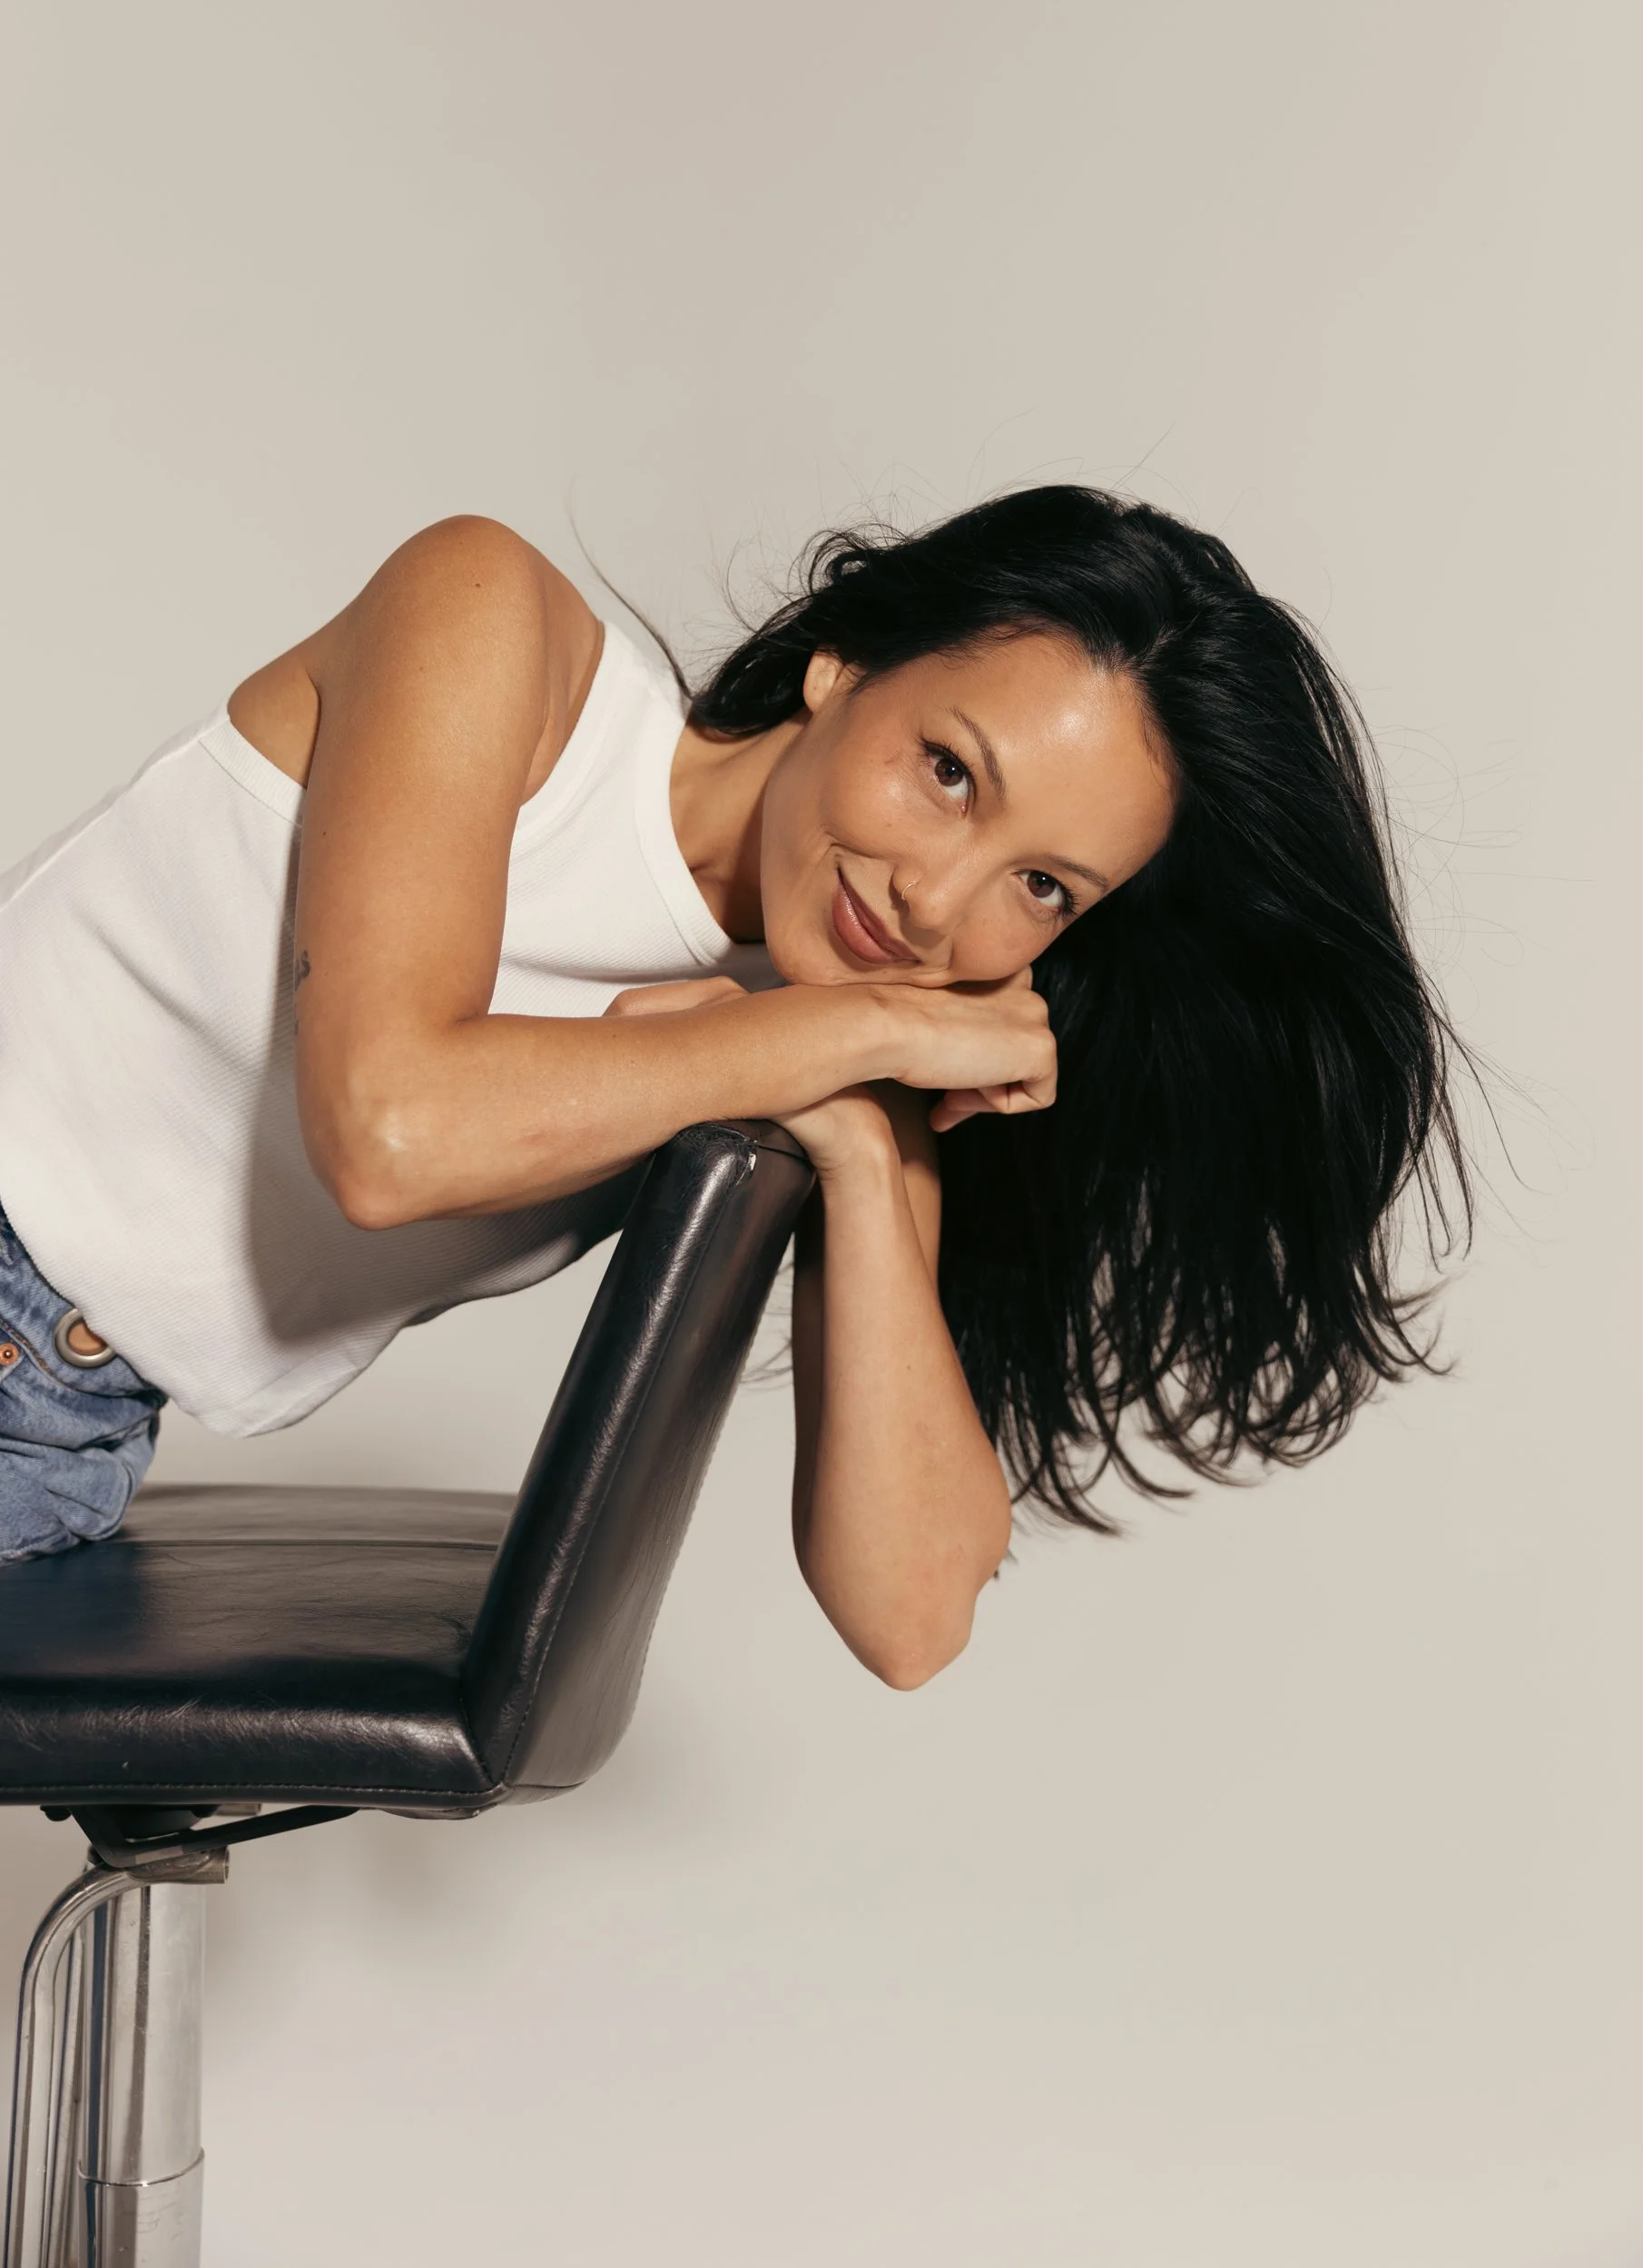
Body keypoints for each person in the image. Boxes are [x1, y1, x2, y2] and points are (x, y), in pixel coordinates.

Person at [0, 485, 1470, 1686]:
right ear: (843, 664)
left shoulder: (839, 1033)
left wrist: (856, 1141)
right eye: (949, 771)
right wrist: (839, 1048)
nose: (934, 896)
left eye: (1041, 885)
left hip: (63, 1449)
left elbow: (909, 1618)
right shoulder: (493, 621)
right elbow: (390, 1132)